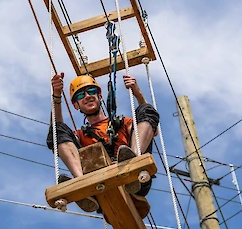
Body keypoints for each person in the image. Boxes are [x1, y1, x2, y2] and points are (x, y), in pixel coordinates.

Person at [47, 73, 159, 218]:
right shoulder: (80, 136)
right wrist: (56, 96)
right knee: (57, 131)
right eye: (81, 95)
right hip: (98, 185)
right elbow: (56, 133)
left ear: (99, 96)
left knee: (146, 110)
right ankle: (83, 183)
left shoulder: (124, 124)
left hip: (135, 180)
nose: (87, 96)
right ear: (76, 105)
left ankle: (133, 162)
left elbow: (152, 129)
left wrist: (138, 94)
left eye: (92, 92)